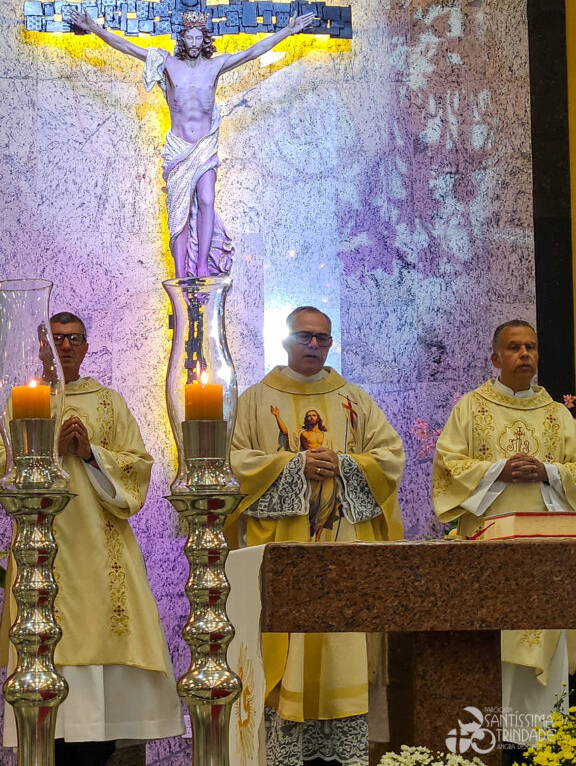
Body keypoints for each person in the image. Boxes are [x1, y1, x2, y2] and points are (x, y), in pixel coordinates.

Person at [1, 312, 183, 766]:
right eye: (57, 339)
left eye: (74, 339)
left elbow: (138, 466)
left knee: (99, 701)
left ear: (85, 347)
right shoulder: (18, 403)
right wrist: (47, 449)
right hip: (41, 553)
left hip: (102, 556)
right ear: (42, 347)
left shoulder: (109, 402)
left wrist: (89, 453)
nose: (65, 346)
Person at [226, 306, 405, 766]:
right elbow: (234, 465)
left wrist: (343, 464)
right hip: (280, 557)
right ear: (285, 340)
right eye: (304, 336)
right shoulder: (255, 399)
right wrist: (294, 465)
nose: (313, 345)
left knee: (342, 653)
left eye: (322, 338)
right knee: (286, 656)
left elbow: (390, 457)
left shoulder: (355, 400)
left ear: (330, 344)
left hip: (345, 554)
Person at [67, 7, 316, 278]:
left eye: (199, 38)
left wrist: (287, 31)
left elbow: (252, 53)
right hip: (179, 148)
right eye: (190, 38)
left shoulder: (215, 65)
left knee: (207, 199)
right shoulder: (167, 63)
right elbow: (127, 47)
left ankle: (202, 266)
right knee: (180, 213)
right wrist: (94, 28)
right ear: (183, 39)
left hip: (205, 146)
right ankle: (180, 274)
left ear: (204, 39)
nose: (195, 43)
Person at [432, 319, 576, 759]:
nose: (524, 354)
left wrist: (549, 471)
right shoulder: (470, 408)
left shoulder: (557, 414)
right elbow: (447, 467)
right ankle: (490, 749)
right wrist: (499, 470)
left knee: (544, 660)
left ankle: (544, 751)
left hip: (547, 559)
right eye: (514, 347)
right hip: (487, 554)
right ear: (496, 358)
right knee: (491, 652)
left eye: (531, 346)